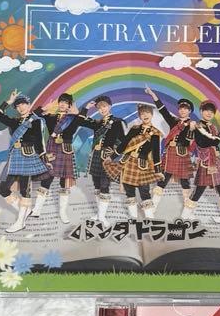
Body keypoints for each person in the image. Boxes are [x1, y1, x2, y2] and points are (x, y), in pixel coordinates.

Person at [0, 90, 53, 233]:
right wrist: (8, 102)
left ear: (29, 104)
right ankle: (26, 209)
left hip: (28, 156)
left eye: (23, 104)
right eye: (17, 106)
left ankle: (20, 222)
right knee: (3, 189)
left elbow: (40, 141)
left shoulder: (36, 120)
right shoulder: (14, 121)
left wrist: (44, 157)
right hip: (14, 157)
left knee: (25, 191)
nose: (20, 107)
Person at [187, 102, 220, 233]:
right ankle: (184, 216)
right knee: (198, 191)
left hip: (216, 161)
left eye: (212, 111)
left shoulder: (213, 127)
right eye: (206, 110)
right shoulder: (198, 126)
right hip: (206, 162)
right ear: (201, 111)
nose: (209, 113)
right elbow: (210, 141)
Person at [144, 89, 197, 212]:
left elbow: (191, 142)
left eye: (185, 109)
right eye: (181, 108)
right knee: (163, 179)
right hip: (170, 153)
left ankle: (188, 211)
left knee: (185, 182)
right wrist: (153, 95)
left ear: (189, 111)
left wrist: (191, 129)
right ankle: (152, 208)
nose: (183, 110)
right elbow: (163, 110)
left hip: (183, 154)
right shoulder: (174, 121)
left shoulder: (193, 124)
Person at [78, 94, 126, 225]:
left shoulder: (117, 122)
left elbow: (124, 142)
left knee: (105, 186)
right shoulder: (98, 123)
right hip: (95, 156)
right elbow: (80, 121)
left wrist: (113, 155)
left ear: (109, 106)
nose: (102, 109)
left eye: (104, 106)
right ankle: (99, 214)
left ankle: (102, 217)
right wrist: (86, 108)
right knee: (97, 186)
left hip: (107, 157)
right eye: (99, 108)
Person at [40, 92, 85, 223]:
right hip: (52, 148)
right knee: (47, 177)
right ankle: (37, 209)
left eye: (66, 102)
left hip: (65, 149)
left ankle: (62, 212)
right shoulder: (51, 117)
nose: (62, 104)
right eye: (61, 102)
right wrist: (44, 109)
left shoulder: (73, 118)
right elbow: (35, 117)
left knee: (64, 181)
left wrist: (80, 112)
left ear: (69, 105)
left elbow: (83, 121)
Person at [117, 103, 163, 221]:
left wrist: (158, 170)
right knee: (129, 190)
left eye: (147, 113)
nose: (145, 115)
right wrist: (112, 156)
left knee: (144, 190)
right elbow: (124, 144)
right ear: (139, 116)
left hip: (143, 164)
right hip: (128, 162)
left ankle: (149, 217)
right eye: (142, 113)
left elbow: (156, 152)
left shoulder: (155, 132)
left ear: (151, 114)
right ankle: (133, 217)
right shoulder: (135, 129)